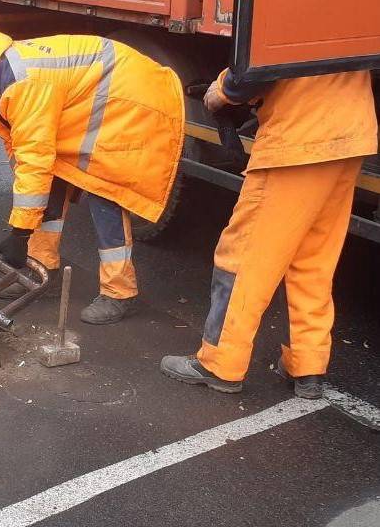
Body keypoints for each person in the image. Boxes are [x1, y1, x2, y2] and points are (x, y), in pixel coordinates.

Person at [0, 31, 184, 324]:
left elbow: (35, 158)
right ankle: (41, 268)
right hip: (95, 96)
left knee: (104, 191)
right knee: (46, 187)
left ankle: (120, 293)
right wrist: (29, 208)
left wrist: (20, 232)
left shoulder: (19, 84)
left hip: (127, 98)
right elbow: (21, 150)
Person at [161, 69, 377, 398]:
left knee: (242, 258)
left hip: (298, 137)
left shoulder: (293, 13)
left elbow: (261, 62)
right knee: (312, 259)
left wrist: (223, 89)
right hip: (351, 134)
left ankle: (221, 363)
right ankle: (306, 366)